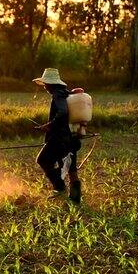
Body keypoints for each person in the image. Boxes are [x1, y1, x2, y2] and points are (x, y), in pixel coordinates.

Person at [32, 68, 82, 204]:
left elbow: (63, 112)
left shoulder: (57, 95)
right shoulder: (66, 94)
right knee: (71, 168)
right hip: (72, 137)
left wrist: (49, 125)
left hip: (60, 139)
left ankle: (59, 188)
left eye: (46, 84)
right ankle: (75, 200)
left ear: (50, 84)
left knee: (42, 160)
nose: (45, 87)